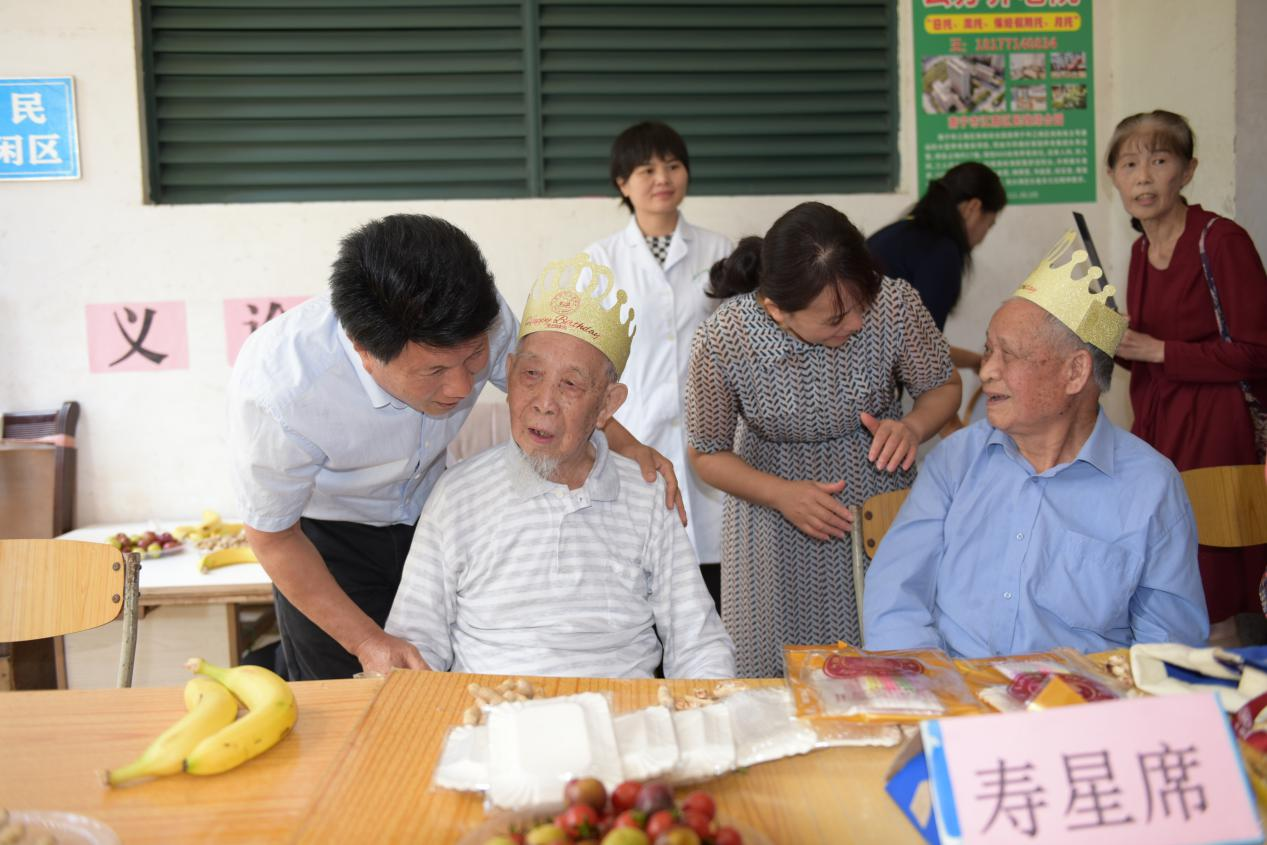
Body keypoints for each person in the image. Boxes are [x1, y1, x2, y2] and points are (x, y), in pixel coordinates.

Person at [227, 215, 680, 681]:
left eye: (474, 358)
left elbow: (551, 393)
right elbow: (273, 537)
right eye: (434, 371)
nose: (464, 387)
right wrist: (366, 641)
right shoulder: (281, 391)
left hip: (431, 512)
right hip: (329, 540)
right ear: (366, 349)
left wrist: (629, 445)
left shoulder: (478, 316)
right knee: (348, 703)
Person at [384, 254, 736, 678]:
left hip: (620, 727)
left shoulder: (647, 497)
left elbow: (697, 641)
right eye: (531, 374)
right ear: (509, 376)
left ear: (607, 404)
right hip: (496, 723)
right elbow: (416, 644)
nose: (544, 403)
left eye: (570, 384)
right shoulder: (457, 494)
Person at [863, 231, 1209, 658]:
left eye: (1008, 354)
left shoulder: (1151, 488)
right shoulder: (956, 461)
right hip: (957, 702)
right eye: (988, 351)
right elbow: (895, 595)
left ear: (1075, 373)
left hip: (1078, 711)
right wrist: (935, 696)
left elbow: (1169, 647)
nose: (987, 371)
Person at [685, 201, 961, 678]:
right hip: (770, 519)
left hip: (878, 507)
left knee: (889, 666)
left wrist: (912, 427)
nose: (854, 323)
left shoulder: (895, 304)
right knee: (775, 680)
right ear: (776, 310)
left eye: (861, 305)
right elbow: (707, 454)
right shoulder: (725, 336)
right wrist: (782, 495)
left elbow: (943, 387)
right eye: (833, 320)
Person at [1107, 110, 1267, 645]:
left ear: (1188, 171)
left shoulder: (1221, 240)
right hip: (1158, 424)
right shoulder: (1138, 249)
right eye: (1130, 164)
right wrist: (1109, 340)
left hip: (1219, 428)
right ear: (1114, 178)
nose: (1144, 177)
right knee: (1161, 553)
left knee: (1213, 563)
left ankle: (1224, 694)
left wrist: (1157, 349)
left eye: (1159, 160)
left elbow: (1255, 352)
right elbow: (1151, 354)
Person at [584, 121, 735, 609]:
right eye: (646, 169)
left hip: (712, 438)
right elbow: (588, 360)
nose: (662, 178)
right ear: (622, 184)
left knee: (713, 580)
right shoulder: (600, 262)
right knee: (641, 575)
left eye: (672, 165)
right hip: (632, 435)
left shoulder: (720, 253)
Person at [867, 161, 1007, 371]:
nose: (983, 237)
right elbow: (923, 350)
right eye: (989, 224)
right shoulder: (942, 252)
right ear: (974, 208)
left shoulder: (899, 232)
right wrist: (975, 362)